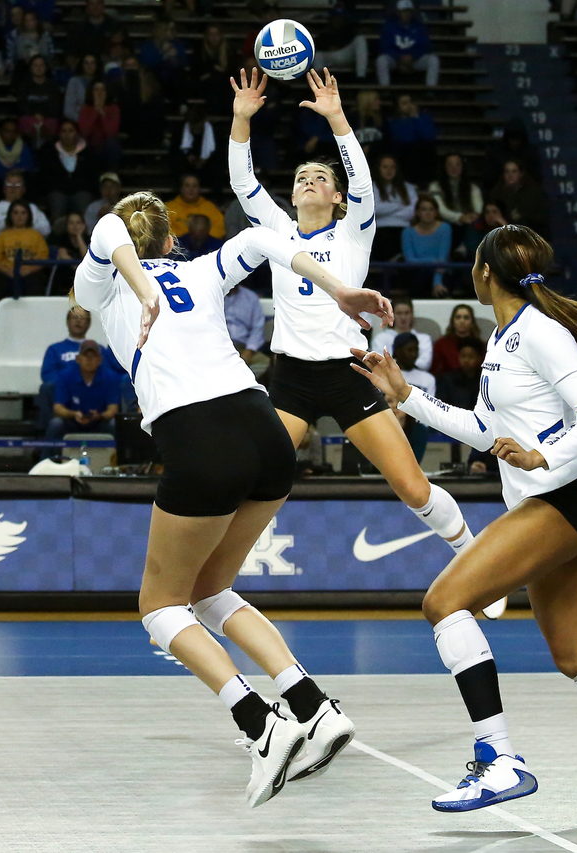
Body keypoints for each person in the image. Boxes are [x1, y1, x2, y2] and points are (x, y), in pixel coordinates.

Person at [352, 223, 577, 815]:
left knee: (443, 603)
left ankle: (498, 759)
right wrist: (404, 396)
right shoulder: (505, 338)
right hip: (557, 502)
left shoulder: (540, 334)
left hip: (560, 499)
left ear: (484, 273)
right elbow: (483, 430)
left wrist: (542, 454)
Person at [72, 187, 389, 807]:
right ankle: (310, 704)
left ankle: (259, 723)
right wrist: (339, 289)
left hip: (200, 436)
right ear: (170, 241)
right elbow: (263, 239)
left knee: (160, 607)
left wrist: (138, 289)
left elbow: (107, 226)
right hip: (266, 431)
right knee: (212, 590)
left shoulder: (102, 285)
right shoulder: (200, 268)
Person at [228, 68, 496, 612]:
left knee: (412, 487)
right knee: (255, 478)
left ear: (336, 197)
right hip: (292, 377)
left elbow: (365, 182)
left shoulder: (354, 229)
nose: (307, 180)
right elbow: (240, 181)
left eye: (319, 177)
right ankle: (211, 584)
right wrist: (241, 118)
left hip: (349, 373)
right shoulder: (275, 230)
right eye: (301, 175)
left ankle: (476, 561)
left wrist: (336, 117)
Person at [46, 340, 121, 441]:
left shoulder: (111, 377)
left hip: (99, 422)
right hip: (73, 421)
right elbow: (58, 407)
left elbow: (113, 409)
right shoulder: (65, 376)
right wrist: (74, 414)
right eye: (85, 356)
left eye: (93, 356)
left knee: (115, 424)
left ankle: (119, 456)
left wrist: (99, 416)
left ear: (100, 360)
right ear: (78, 359)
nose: (89, 360)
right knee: (56, 424)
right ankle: (47, 456)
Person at [38, 119, 100, 221]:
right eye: (64, 131)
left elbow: (93, 176)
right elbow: (45, 176)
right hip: (57, 191)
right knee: (57, 210)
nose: (67, 134)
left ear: (77, 133)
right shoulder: (49, 151)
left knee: (85, 211)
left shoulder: (89, 152)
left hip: (81, 190)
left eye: (70, 131)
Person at [0, 200, 49, 304]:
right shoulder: (3, 236)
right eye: (15, 213)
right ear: (10, 215)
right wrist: (7, 271)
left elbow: (43, 258)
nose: (19, 216)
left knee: (35, 280)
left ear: (28, 215)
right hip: (7, 272)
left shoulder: (36, 236)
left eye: (23, 213)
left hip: (29, 273)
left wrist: (28, 270)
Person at [391, 332, 436, 461]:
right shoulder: (386, 375)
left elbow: (430, 409)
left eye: (416, 350)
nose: (414, 355)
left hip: (418, 427)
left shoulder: (428, 379)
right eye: (409, 350)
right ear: (397, 351)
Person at [376, 0, 441, 88]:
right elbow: (384, 46)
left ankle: (431, 89)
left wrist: (413, 57)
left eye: (409, 11)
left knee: (434, 60)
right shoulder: (389, 25)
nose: (406, 14)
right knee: (381, 60)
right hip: (395, 60)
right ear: (398, 12)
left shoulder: (419, 26)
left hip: (414, 60)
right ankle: (385, 88)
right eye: (404, 11)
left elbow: (425, 46)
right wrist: (399, 57)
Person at [0, 170, 51, 249]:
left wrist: (25, 224)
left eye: (17, 185)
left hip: (27, 250)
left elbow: (46, 230)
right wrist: (7, 223)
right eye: (9, 184)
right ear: (4, 189)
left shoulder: (32, 207)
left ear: (23, 190)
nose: (13, 188)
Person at [402, 194, 453, 297]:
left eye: (431, 209)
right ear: (417, 212)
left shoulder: (445, 228)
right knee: (420, 277)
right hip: (417, 273)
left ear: (436, 212)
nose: (428, 213)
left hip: (441, 273)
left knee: (443, 287)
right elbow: (410, 260)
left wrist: (437, 283)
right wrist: (432, 261)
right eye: (424, 209)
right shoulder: (408, 232)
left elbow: (442, 260)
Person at [428, 153, 483, 247]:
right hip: (445, 224)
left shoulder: (473, 188)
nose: (454, 168)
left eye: (457, 164)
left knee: (475, 227)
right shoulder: (435, 187)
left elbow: (478, 208)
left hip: (468, 224)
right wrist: (459, 217)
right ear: (444, 167)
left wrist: (472, 217)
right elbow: (440, 210)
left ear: (462, 167)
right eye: (450, 165)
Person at [371, 153, 418, 261]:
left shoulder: (408, 188)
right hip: (379, 231)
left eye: (392, 167)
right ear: (379, 169)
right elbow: (374, 209)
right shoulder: (371, 188)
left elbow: (412, 211)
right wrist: (400, 205)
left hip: (404, 229)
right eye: (385, 167)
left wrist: (386, 209)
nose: (389, 170)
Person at [486, 159, 550, 238]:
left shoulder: (533, 194)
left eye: (514, 172)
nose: (510, 175)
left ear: (521, 174)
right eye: (507, 172)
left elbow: (537, 221)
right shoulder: (497, 192)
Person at [372, 294, 433, 372]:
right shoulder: (381, 338)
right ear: (391, 314)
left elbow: (425, 364)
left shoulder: (424, 339)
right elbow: (379, 362)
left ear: (412, 314)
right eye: (399, 313)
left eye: (407, 313)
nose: (403, 317)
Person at [0, 118, 36, 203]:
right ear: (0, 132)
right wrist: (11, 173)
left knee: (28, 179)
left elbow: (27, 166)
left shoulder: (24, 147)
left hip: (17, 182)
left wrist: (12, 175)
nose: (10, 135)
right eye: (7, 131)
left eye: (13, 132)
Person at [388, 94, 438, 185]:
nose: (409, 106)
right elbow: (405, 138)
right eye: (404, 103)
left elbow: (429, 136)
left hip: (424, 158)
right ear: (398, 107)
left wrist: (416, 118)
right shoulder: (394, 122)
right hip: (406, 158)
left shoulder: (424, 118)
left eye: (410, 102)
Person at [312, 0, 369, 80]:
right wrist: (328, 47)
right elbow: (317, 44)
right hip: (332, 56)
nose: (337, 20)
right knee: (317, 56)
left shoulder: (349, 30)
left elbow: (354, 38)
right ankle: (318, 86)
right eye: (335, 17)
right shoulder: (326, 31)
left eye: (340, 17)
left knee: (360, 40)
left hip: (346, 55)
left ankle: (361, 78)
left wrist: (340, 45)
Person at [15, 54, 61, 147]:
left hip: (48, 117)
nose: (38, 68)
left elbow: (56, 105)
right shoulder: (24, 85)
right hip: (29, 117)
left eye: (41, 65)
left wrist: (43, 115)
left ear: (46, 67)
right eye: (35, 65)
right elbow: (21, 104)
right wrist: (34, 114)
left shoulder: (53, 85)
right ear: (31, 67)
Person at [224, 282, 268, 377]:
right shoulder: (212, 295)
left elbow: (257, 328)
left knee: (265, 363)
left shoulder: (250, 297)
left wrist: (249, 350)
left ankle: (248, 389)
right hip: (220, 346)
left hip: (243, 346)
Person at [431, 303, 485, 377]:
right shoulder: (441, 344)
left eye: (466, 318)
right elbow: (437, 372)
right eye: (458, 317)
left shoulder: (481, 346)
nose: (462, 321)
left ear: (472, 322)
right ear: (453, 321)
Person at [166, 173, 225, 240]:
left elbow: (220, 228)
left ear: (199, 188)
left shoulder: (209, 207)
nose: (191, 189)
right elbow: (164, 230)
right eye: (187, 185)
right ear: (181, 188)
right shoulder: (169, 207)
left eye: (194, 186)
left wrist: (201, 237)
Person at [435, 338, 483, 409]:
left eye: (471, 356)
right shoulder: (446, 380)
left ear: (479, 358)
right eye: (463, 356)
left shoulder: (484, 381)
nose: (466, 360)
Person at [63, 54, 100, 123]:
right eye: (86, 63)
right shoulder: (74, 81)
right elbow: (68, 110)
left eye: (92, 63)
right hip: (78, 122)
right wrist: (83, 121)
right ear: (82, 65)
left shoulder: (101, 82)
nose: (89, 66)